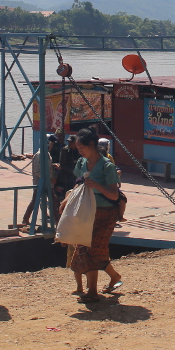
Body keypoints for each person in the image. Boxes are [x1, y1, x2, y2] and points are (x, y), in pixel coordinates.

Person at [66, 127, 122, 303]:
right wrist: (65, 201)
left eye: (81, 148)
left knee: (92, 249)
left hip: (105, 214)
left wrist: (97, 186)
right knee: (90, 249)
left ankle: (92, 291)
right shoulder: (82, 164)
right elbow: (78, 184)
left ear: (91, 145)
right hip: (87, 211)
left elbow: (114, 195)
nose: (79, 151)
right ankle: (112, 278)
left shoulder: (107, 166)